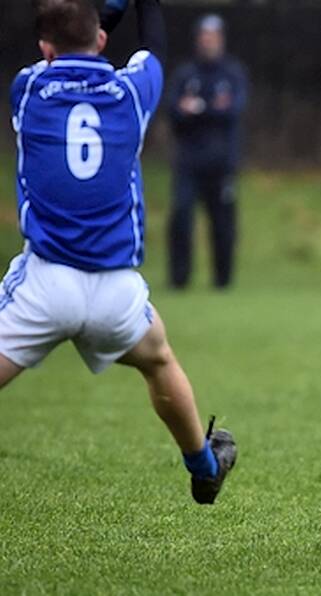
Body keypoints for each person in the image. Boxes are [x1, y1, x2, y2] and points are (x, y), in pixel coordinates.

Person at [5, 0, 236, 505]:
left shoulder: (28, 88)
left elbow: (70, 43)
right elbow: (154, 47)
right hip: (116, 290)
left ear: (45, 48)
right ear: (103, 42)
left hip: (46, 283)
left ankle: (205, 462)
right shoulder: (131, 91)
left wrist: (99, 13)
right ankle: (203, 464)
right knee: (159, 363)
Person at [166, 13, 248, 289]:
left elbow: (233, 111)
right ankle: (179, 279)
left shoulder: (233, 73)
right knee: (181, 218)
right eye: (204, 37)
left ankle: (222, 281)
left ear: (221, 40)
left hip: (222, 163)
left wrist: (198, 109)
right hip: (189, 162)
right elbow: (174, 112)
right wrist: (210, 109)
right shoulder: (185, 74)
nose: (207, 42)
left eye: (212, 37)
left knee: (223, 225)